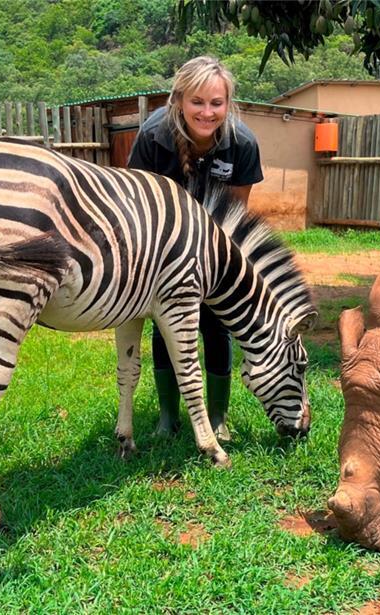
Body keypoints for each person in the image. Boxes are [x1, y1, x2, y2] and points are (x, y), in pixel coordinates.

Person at [128, 56, 264, 442]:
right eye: (197, 102)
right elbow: (139, 207)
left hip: (215, 252)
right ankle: (167, 417)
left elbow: (235, 216)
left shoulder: (242, 144)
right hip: (162, 251)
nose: (207, 112)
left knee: (217, 328)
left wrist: (214, 273)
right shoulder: (153, 137)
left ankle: (218, 417)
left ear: (228, 104)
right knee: (165, 328)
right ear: (179, 100)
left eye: (216, 103)